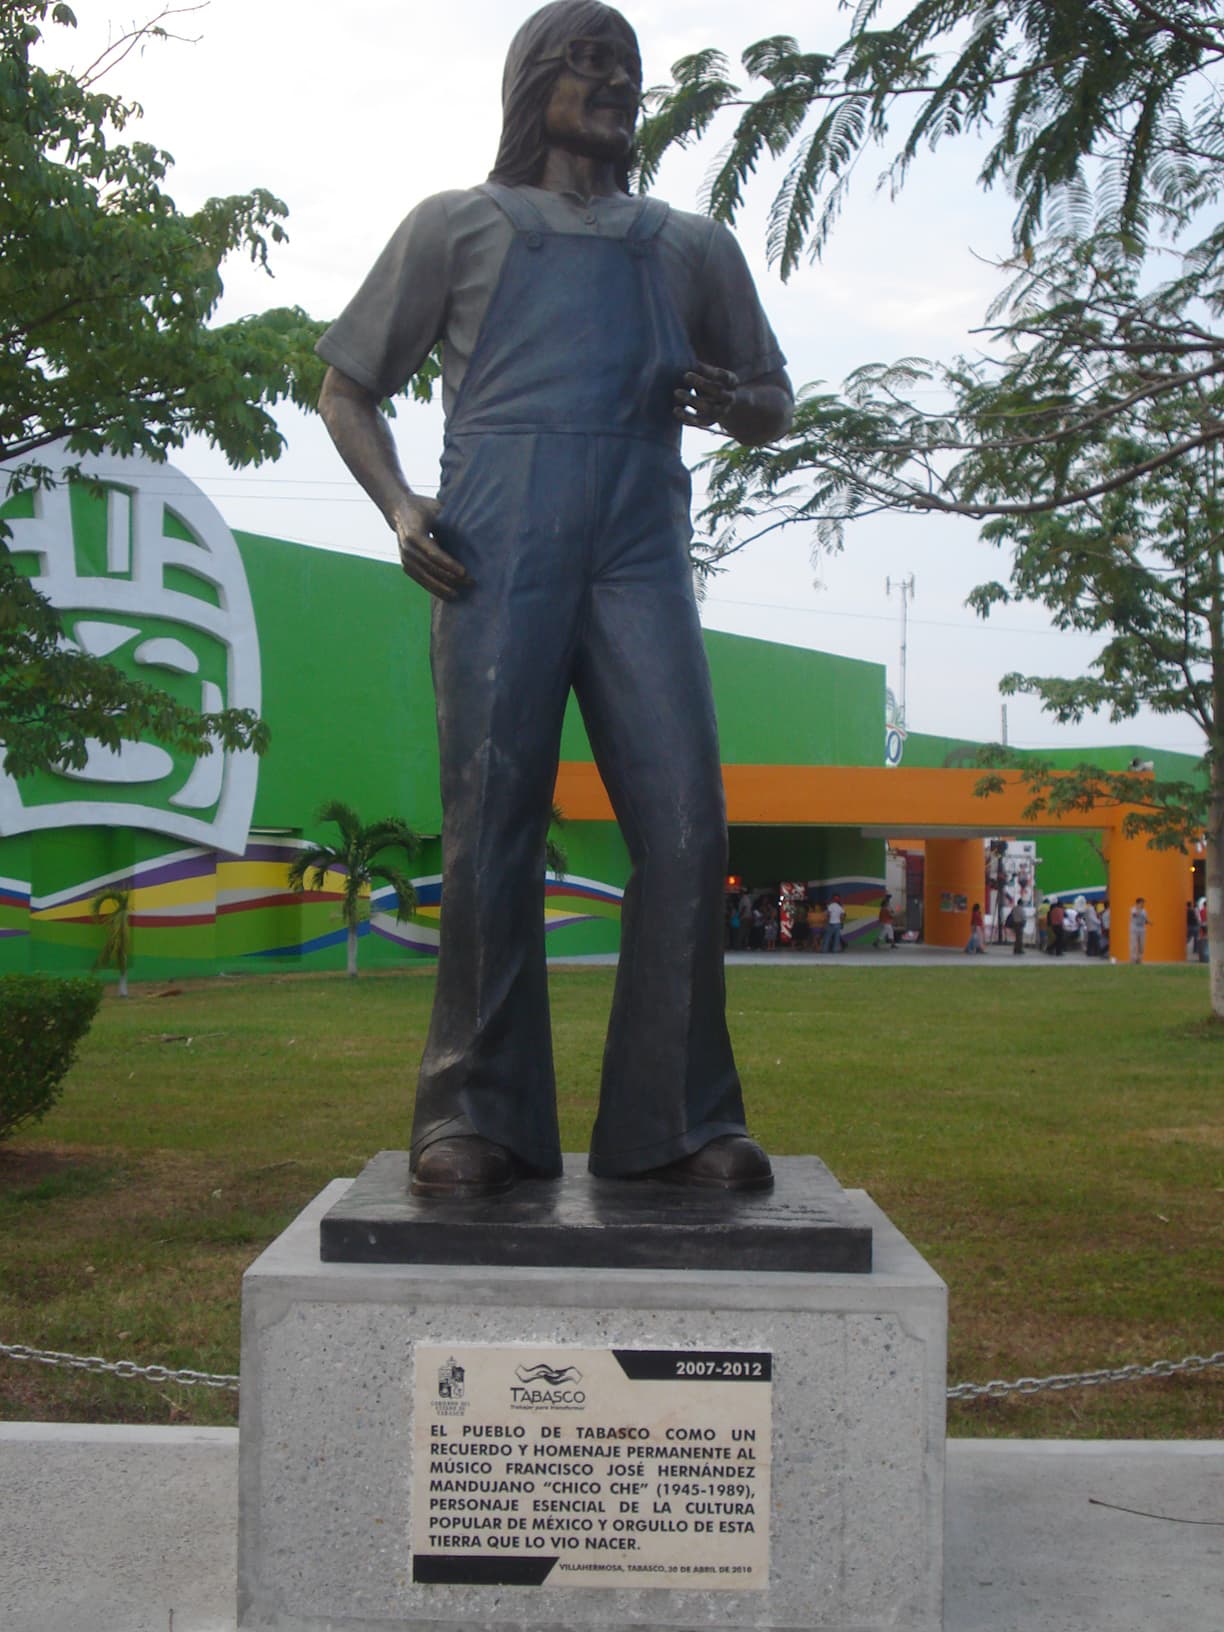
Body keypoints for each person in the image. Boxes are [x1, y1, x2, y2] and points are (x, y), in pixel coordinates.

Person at [316, 3, 791, 1198]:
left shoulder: (690, 244)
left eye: (627, 67)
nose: (614, 83)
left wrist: (730, 397)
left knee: (687, 825)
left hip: (639, 548)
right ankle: (475, 1111)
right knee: (495, 824)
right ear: (532, 84)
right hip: (496, 544)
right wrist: (401, 508)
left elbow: (775, 398)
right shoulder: (457, 226)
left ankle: (679, 1120)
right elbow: (346, 388)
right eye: (587, 64)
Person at [1130, 897, 1151, 963]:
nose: (1143, 904)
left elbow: (1145, 920)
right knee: (1134, 945)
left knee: (1141, 945)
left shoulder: (1144, 911)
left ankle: (1139, 959)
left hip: (1142, 929)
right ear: (1138, 903)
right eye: (1142, 903)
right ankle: (1133, 959)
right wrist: (1138, 909)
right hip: (1134, 929)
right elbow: (1134, 915)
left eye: (1143, 903)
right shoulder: (1133, 909)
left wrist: (1149, 922)